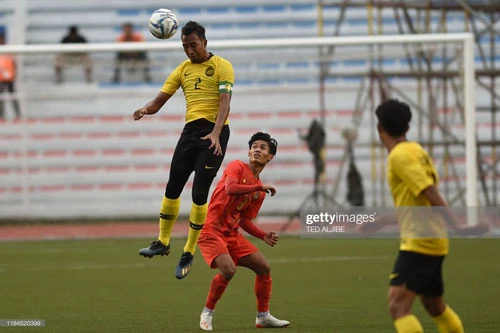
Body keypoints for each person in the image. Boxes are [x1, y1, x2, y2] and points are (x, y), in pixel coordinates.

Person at [359, 99, 489, 333]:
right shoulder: (416, 150)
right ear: (407, 128)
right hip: (432, 240)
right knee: (434, 306)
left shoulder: (400, 156)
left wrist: (458, 227)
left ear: (380, 129)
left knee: (398, 306)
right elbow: (416, 204)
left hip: (420, 242)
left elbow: (429, 192)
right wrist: (382, 222)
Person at [134, 21, 234, 280]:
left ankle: (189, 250)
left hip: (215, 133)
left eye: (193, 45)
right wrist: (145, 109)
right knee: (173, 186)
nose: (189, 50)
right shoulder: (182, 70)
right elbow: (159, 102)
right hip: (190, 133)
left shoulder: (222, 66)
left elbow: (225, 102)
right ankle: (163, 241)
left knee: (199, 192)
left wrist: (215, 131)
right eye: (185, 46)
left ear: (205, 43)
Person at [197, 132, 289, 330]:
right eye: (254, 146)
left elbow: (244, 220)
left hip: (231, 234)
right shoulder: (237, 166)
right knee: (229, 270)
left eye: (263, 148)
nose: (257, 149)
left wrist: (262, 235)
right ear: (249, 151)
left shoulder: (259, 191)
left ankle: (263, 316)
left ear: (270, 157)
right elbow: (230, 189)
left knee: (264, 267)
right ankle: (207, 312)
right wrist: (259, 186)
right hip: (211, 231)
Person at [0, 33, 20, 119]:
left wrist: (15, 73)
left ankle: (18, 114)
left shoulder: (8, 49)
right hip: (0, 78)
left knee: (13, 96)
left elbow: (14, 63)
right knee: (1, 97)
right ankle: (1, 114)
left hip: (9, 77)